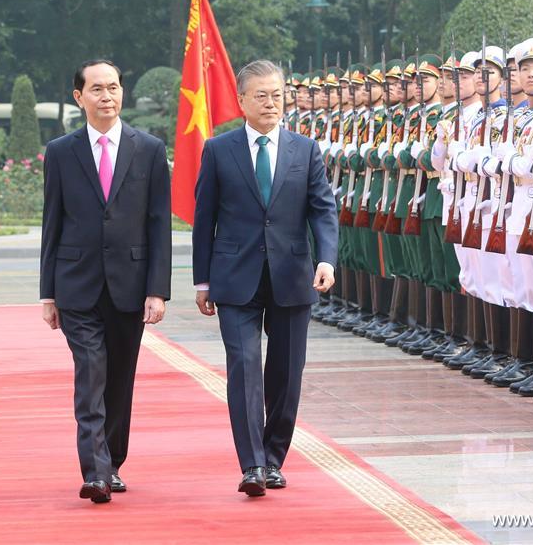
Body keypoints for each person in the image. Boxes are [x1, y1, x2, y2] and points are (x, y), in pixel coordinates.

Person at [192, 59, 338, 497]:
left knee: (286, 374)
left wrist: (326, 259)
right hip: (235, 278)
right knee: (244, 369)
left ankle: (274, 457)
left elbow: (322, 209)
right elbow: (204, 219)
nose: (271, 103)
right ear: (241, 101)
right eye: (261, 95)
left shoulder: (304, 149)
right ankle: (252, 464)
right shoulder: (219, 150)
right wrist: (202, 281)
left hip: (292, 276)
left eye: (277, 95)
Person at [39, 59, 171, 504]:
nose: (106, 96)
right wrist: (48, 293)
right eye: (96, 89)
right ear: (79, 97)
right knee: (90, 373)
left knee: (120, 379)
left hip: (130, 284)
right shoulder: (60, 151)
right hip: (76, 284)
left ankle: (113, 460)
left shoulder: (149, 149)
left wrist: (158, 289)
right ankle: (95, 471)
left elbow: (158, 225)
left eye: (113, 87)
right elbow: (51, 223)